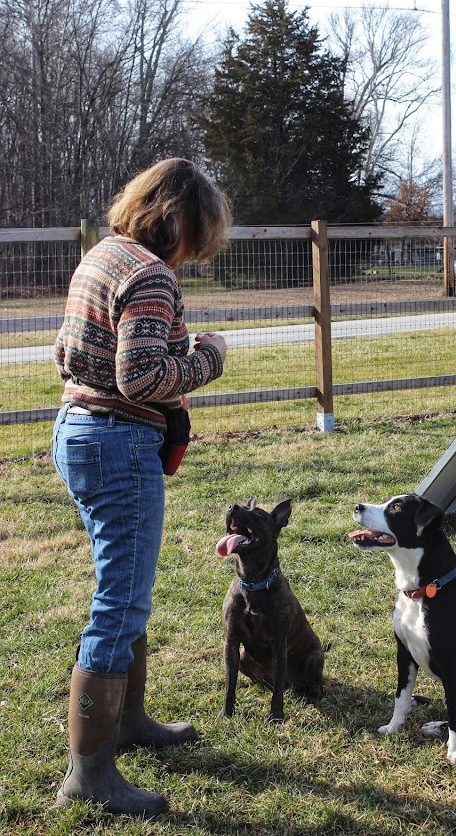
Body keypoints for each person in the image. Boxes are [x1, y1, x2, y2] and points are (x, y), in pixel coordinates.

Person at [51, 158, 231, 818]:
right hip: (116, 444)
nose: (199, 251)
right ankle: (90, 778)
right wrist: (208, 356)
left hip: (79, 430)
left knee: (122, 588)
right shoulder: (150, 275)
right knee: (119, 604)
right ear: (181, 219)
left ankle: (128, 723)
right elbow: (142, 377)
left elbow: (68, 350)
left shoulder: (103, 254)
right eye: (201, 234)